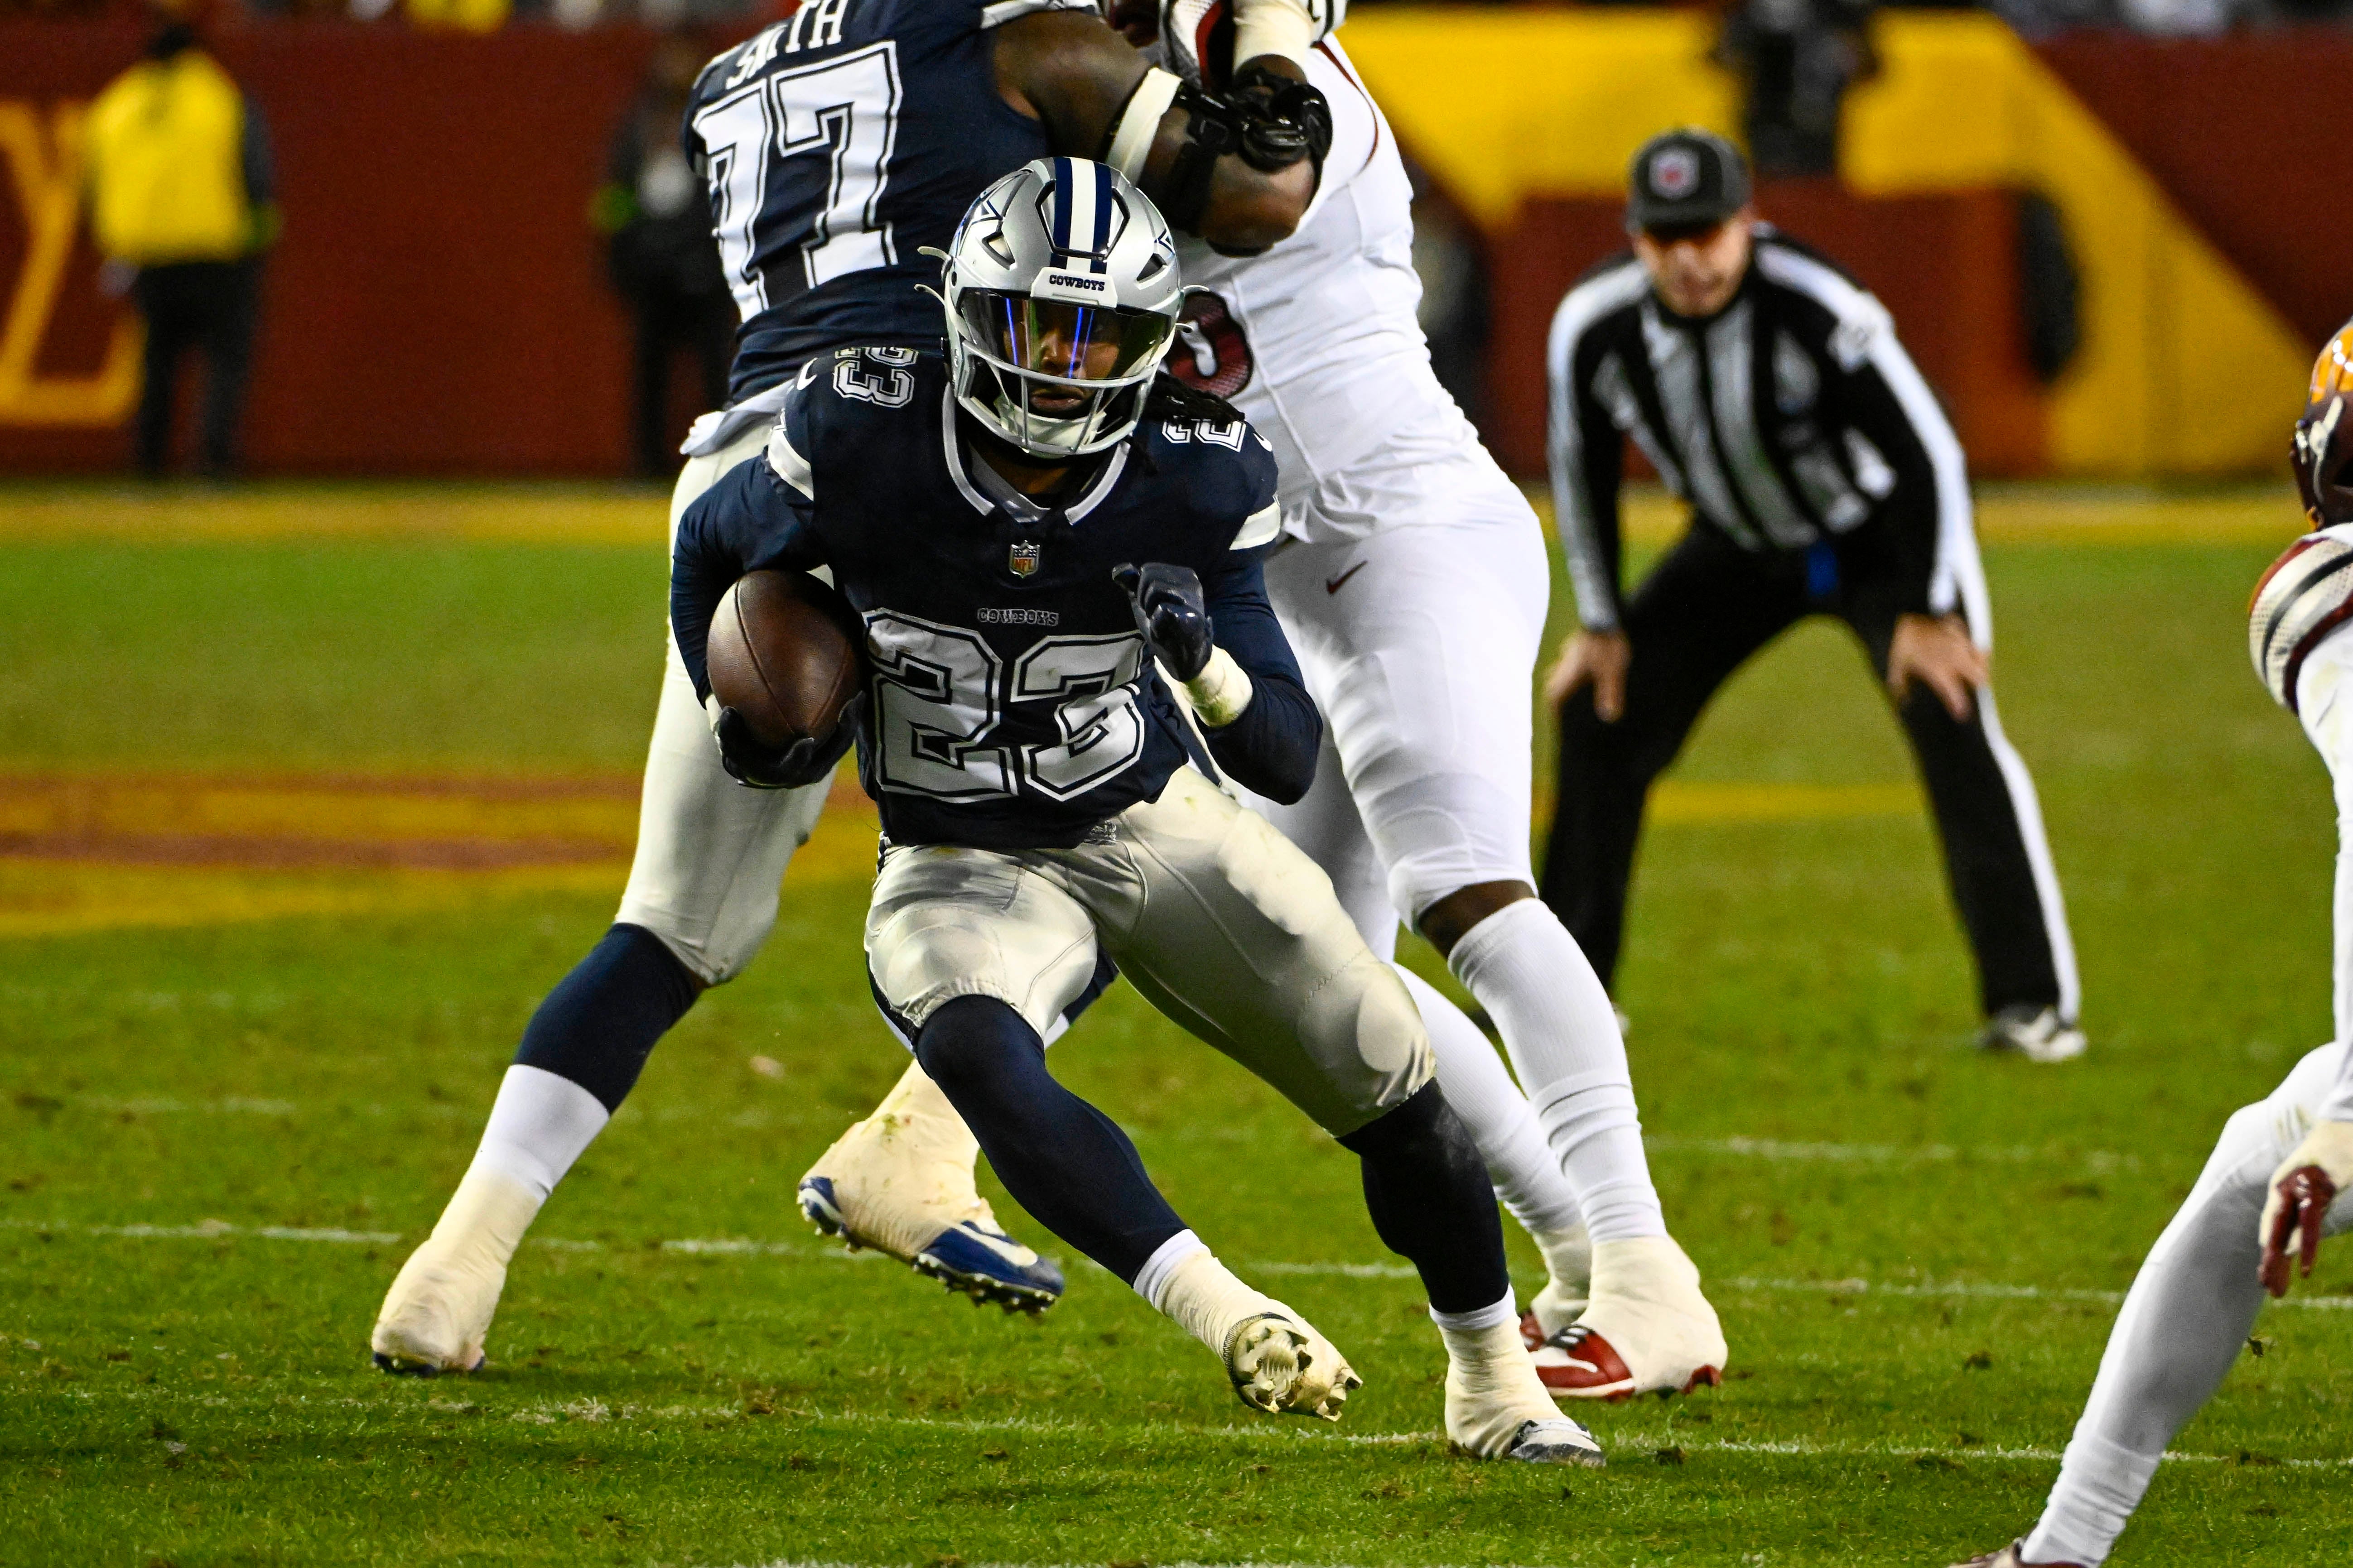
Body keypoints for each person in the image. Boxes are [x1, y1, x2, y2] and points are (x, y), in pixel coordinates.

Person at [369, 0, 1332, 1374]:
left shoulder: (728, 76)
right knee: (1123, 826)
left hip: (750, 464)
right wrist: (1271, 53)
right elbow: (1258, 196)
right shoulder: (1021, 42)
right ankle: (919, 1140)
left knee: (675, 921)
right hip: (935, 456)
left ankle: (454, 1265)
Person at [801, 0, 1729, 1403]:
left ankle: (1653, 1274)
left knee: (1465, 888)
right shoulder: (1141, 85)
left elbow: (1254, 194)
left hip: (1398, 523)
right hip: (1267, 574)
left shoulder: (1280, 92)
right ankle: (1580, 1252)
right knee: (1348, 983)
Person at [671, 160, 1600, 1464]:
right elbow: (711, 542)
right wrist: (751, 728)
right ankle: (1228, 1313)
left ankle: (1496, 1382)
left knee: (1396, 1081)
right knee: (979, 1057)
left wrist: (1205, 661)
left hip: (1155, 820)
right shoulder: (864, 425)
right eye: (1031, 327)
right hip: (960, 858)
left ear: (1153, 343)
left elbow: (1279, 755)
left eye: (1094, 336)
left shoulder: (1195, 469)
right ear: (964, 315)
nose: (1059, 367)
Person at [1538, 128, 2083, 1063]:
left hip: (1872, 541)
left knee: (1952, 715)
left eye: (1706, 232)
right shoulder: (1594, 326)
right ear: (1634, 239)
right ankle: (1564, 1000)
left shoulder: (1812, 304)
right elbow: (1577, 470)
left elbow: (1929, 457)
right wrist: (1599, 623)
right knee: (1600, 714)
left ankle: (2032, 1004)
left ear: (1747, 223)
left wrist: (1926, 609)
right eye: (1665, 237)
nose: (1689, 260)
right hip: (1735, 547)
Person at [1948, 322, 2353, 1568]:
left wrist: (2348, 1113)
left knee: (2278, 1151)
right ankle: (2064, 1546)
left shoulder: (2329, 601)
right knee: (2250, 1155)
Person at [82, 16, 278, 479]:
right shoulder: (220, 98)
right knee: (225, 361)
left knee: (157, 361)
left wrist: (115, 245)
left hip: (146, 255)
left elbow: (93, 186)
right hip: (215, 252)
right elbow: (255, 172)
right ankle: (214, 459)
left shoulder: (117, 104)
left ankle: (148, 460)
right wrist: (258, 233)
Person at [596, 34, 734, 479]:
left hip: (704, 274)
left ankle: (723, 462)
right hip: (652, 274)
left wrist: (713, 260)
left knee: (718, 374)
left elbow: (727, 198)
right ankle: (646, 466)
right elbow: (615, 198)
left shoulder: (713, 127)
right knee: (649, 378)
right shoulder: (638, 128)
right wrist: (622, 260)